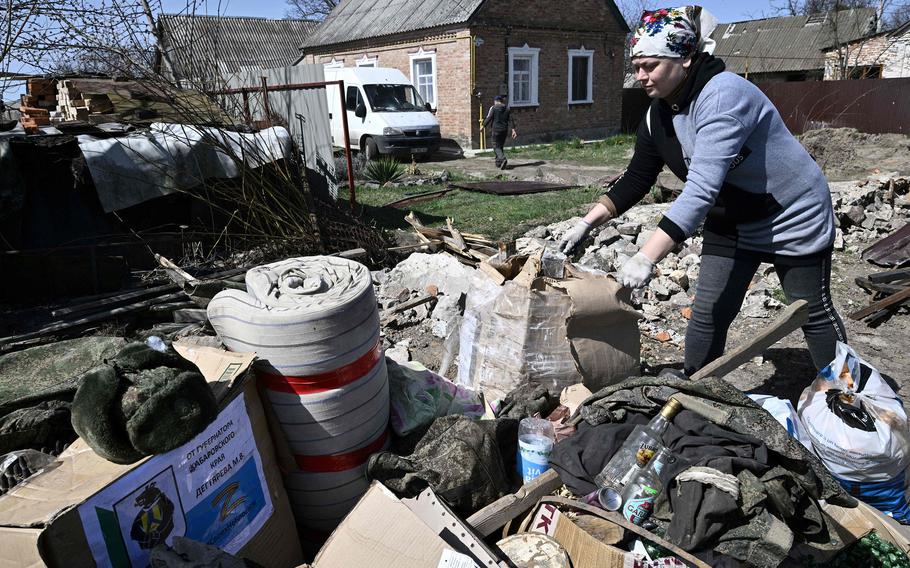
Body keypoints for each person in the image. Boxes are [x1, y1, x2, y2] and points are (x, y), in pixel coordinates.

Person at [558, 5, 847, 376]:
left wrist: (646, 257)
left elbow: (700, 190)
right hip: (732, 219)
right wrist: (587, 222)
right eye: (636, 67)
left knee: (810, 310)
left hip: (791, 213)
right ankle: (697, 391)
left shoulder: (723, 96)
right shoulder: (657, 112)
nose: (640, 77)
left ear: (686, 58)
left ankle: (850, 393)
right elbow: (636, 178)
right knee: (709, 312)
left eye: (650, 66)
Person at [482, 95, 518, 170]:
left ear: (496, 101)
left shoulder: (493, 108)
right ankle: (499, 163)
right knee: (500, 146)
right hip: (504, 130)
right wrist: (513, 130)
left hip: (496, 130)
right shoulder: (507, 109)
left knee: (496, 146)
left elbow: (489, 118)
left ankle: (503, 159)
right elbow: (511, 120)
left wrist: (483, 126)